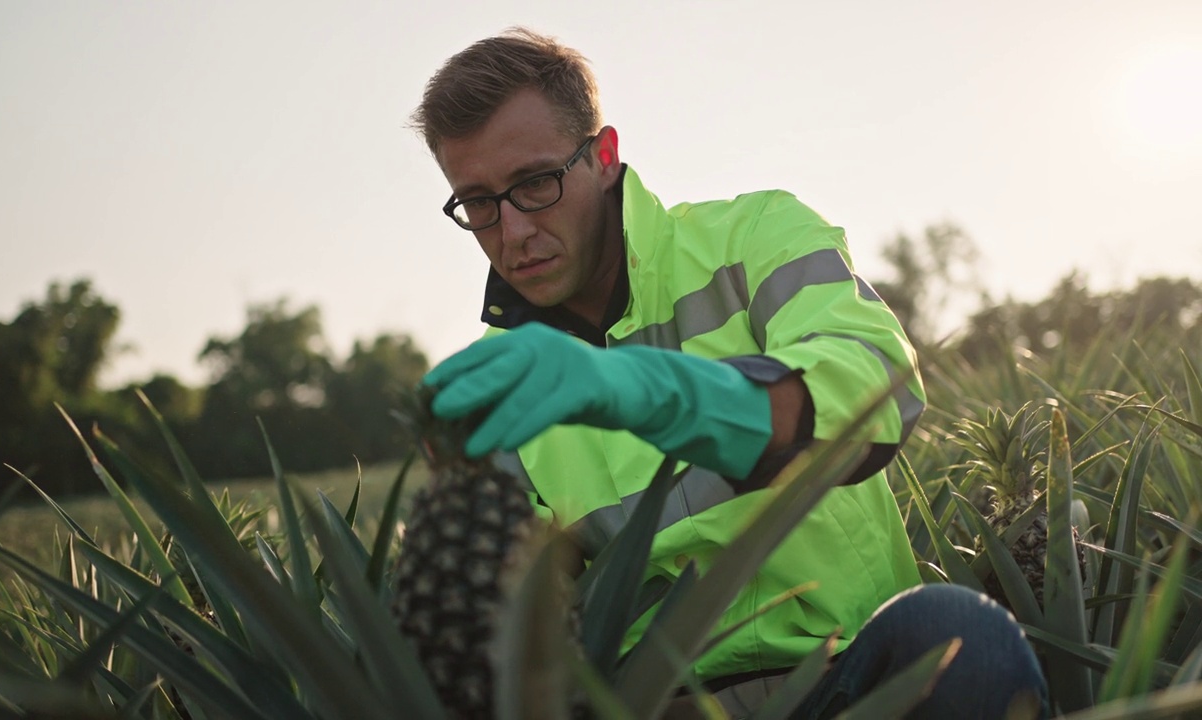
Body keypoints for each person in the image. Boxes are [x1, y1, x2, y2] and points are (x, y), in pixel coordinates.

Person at [412, 28, 1047, 719]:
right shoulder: (499, 381)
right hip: (659, 707)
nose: (511, 232)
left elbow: (875, 384)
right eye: (477, 203)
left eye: (534, 184)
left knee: (957, 635)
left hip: (846, 673)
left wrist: (634, 388)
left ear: (603, 156)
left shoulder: (756, 238)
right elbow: (519, 626)